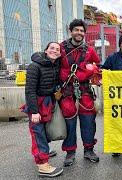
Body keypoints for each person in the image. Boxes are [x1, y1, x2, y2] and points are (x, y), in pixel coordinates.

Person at [59, 19, 100, 167]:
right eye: (76, 30)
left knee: (88, 120)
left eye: (82, 31)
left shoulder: (89, 50)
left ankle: (89, 150)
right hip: (67, 90)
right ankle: (70, 152)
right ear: (71, 31)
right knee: (69, 121)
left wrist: (93, 71)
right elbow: (51, 63)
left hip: (84, 90)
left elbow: (98, 65)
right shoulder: (61, 48)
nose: (79, 33)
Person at [24, 42, 63, 177]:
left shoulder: (55, 65)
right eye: (52, 48)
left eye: (57, 49)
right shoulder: (34, 66)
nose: (54, 51)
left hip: (48, 102)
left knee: (44, 132)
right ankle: (43, 165)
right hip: (37, 103)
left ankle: (43, 151)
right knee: (37, 133)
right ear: (46, 50)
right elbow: (29, 90)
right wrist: (34, 111)